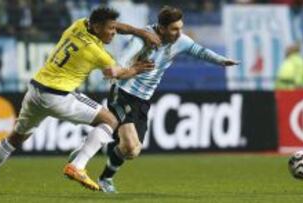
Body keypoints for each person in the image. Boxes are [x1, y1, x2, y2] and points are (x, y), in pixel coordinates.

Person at [0, 7, 160, 195]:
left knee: (15, 138)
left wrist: (140, 32)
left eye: (114, 28)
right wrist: (136, 69)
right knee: (110, 120)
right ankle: (78, 165)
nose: (113, 32)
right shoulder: (96, 52)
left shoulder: (78, 25)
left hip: (35, 91)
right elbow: (114, 73)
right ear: (96, 27)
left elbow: (116, 26)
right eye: (110, 29)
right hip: (58, 95)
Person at [69, 6, 239, 193]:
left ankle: (91, 146)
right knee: (130, 143)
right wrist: (119, 70)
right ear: (162, 28)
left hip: (143, 101)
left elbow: (199, 51)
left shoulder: (180, 41)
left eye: (180, 28)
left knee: (132, 151)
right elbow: (123, 61)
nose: (179, 33)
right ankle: (105, 179)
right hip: (123, 94)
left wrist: (222, 61)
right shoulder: (143, 39)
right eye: (175, 29)